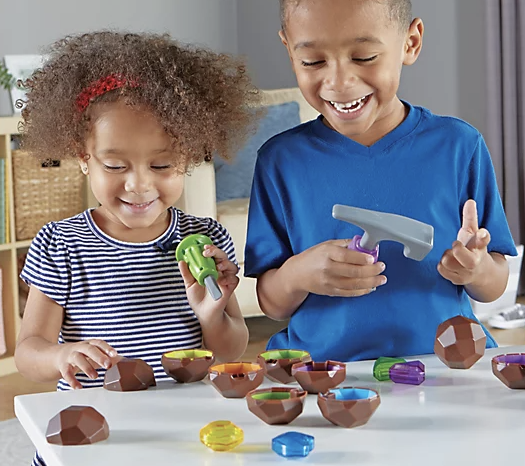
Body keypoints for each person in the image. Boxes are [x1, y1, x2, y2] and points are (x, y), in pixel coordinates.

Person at [244, 0, 517, 362]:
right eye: (313, 61)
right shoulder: (280, 161)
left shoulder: (458, 146)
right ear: (289, 50)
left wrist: (477, 268)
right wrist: (297, 275)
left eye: (364, 57)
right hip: (322, 371)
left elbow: (494, 286)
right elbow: (272, 305)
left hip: (441, 366)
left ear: (410, 42)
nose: (339, 82)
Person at [15, 30, 258, 410]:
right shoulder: (60, 244)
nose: (139, 185)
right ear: (83, 157)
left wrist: (212, 315)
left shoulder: (206, 238)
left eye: (162, 165)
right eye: (115, 165)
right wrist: (60, 357)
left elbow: (229, 350)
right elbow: (28, 352)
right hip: (99, 420)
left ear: (187, 158)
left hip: (184, 419)